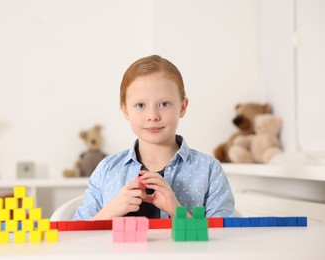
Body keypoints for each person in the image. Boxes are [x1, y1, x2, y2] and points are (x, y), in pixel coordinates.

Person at [73, 55, 235, 220]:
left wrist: (176, 209)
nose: (152, 116)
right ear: (125, 110)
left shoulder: (209, 170)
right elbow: (78, 237)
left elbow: (222, 240)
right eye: (140, 105)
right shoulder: (106, 170)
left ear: (183, 107)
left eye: (164, 104)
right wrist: (110, 211)